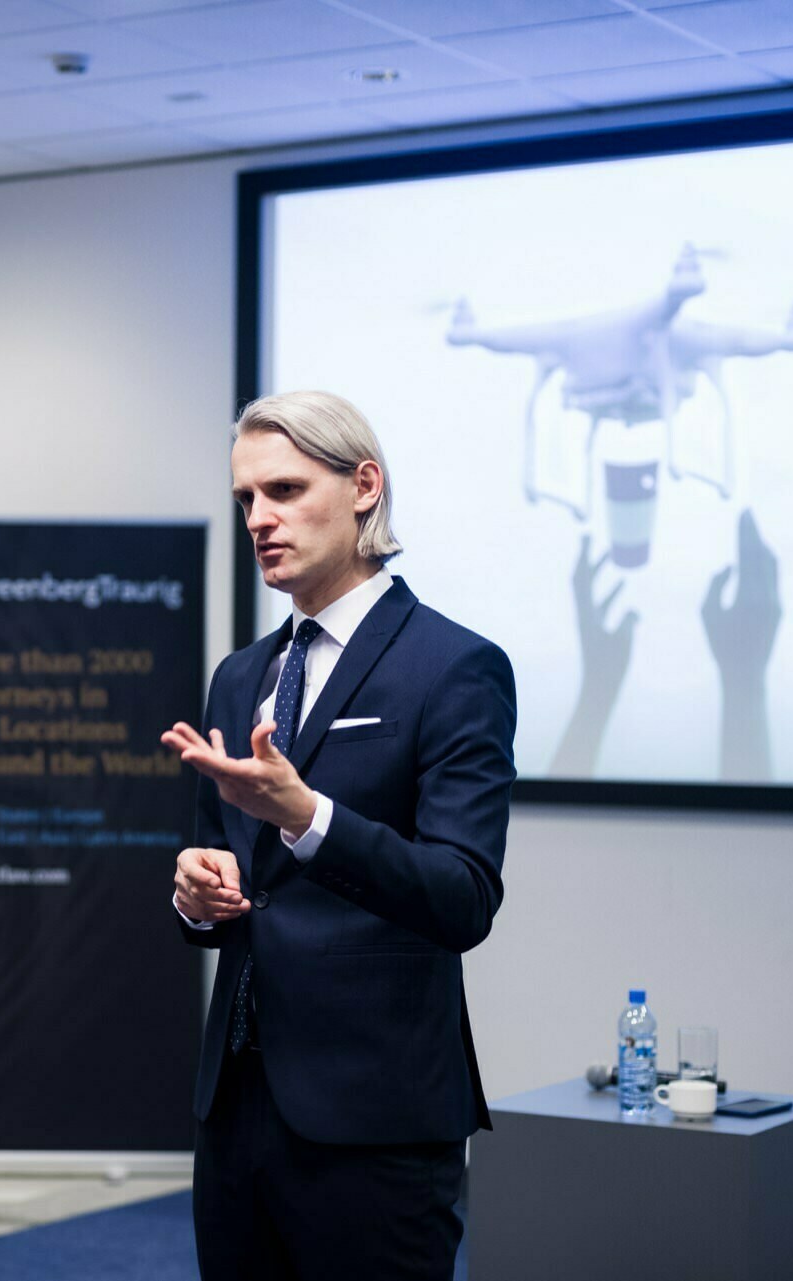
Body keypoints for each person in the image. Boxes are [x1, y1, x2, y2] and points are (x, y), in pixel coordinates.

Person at [162, 390, 517, 1281]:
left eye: (283, 489)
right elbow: (228, 870)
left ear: (364, 486)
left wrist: (309, 817)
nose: (260, 518)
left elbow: (463, 895)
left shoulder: (455, 666)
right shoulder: (239, 675)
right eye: (245, 498)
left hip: (376, 1116)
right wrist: (197, 894)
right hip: (236, 1108)